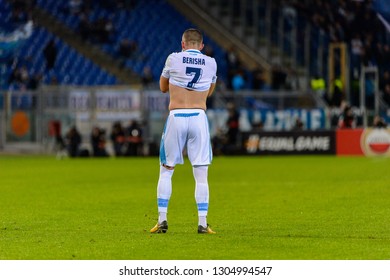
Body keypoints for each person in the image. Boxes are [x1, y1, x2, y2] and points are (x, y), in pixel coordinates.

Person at [150, 28, 217, 234]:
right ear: (202, 45)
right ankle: (203, 223)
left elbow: (162, 87)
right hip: (198, 116)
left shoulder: (173, 58)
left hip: (177, 116)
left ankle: (162, 220)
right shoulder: (211, 62)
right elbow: (209, 91)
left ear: (183, 44)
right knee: (201, 175)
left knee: (166, 170)